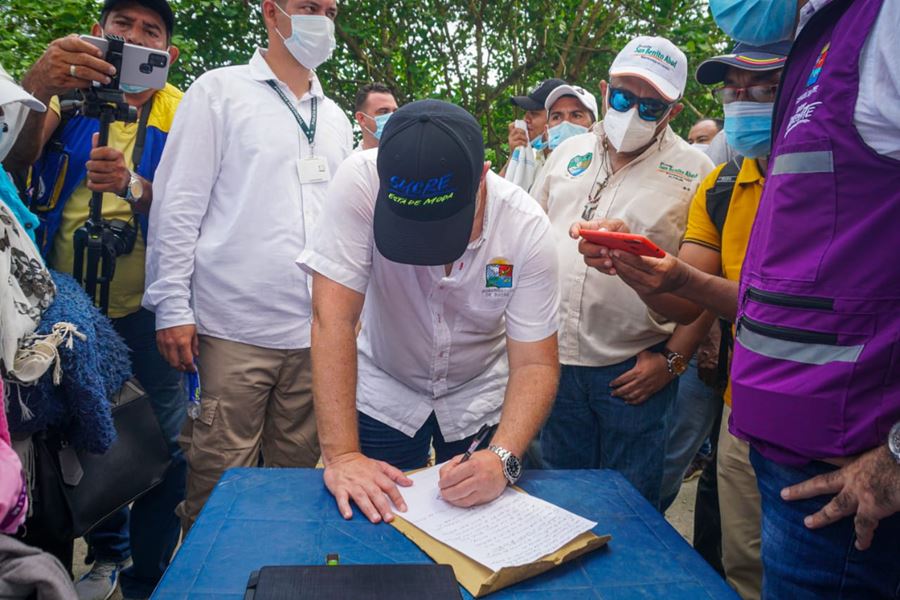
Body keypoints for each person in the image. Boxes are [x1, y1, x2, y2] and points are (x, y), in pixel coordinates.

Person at [584, 0, 900, 595]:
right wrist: (664, 275)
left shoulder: (879, 30)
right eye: (734, 87)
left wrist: (898, 454)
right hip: (757, 428)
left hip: (849, 462)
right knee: (738, 569)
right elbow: (754, 300)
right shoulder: (735, 176)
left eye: (763, 85)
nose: (745, 98)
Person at [297, 99, 560, 524]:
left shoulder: (526, 228)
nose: (426, 252)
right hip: (387, 386)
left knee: (481, 519)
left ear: (483, 177)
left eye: (443, 225)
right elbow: (333, 320)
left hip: (479, 395)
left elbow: (534, 362)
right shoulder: (359, 181)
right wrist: (342, 455)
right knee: (376, 522)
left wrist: (503, 458)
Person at [144, 0, 352, 535]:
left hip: (313, 336)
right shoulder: (219, 91)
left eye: (330, 10)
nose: (322, 21)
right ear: (271, 12)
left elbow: (342, 228)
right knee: (218, 486)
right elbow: (178, 202)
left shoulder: (333, 117)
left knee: (295, 488)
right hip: (234, 330)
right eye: (309, 7)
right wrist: (171, 304)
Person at [6, 2, 186, 598]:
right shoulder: (67, 95)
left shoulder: (182, 111)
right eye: (121, 26)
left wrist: (134, 187)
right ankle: (107, 552)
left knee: (165, 440)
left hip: (151, 309)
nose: (131, 38)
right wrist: (36, 86)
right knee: (81, 436)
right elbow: (14, 163)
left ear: (169, 53)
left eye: (149, 31)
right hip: (63, 304)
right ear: (97, 32)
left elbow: (200, 203)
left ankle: (149, 572)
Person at [530, 35, 713, 509]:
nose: (634, 113)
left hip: (633, 371)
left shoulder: (696, 171)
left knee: (630, 512)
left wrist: (672, 363)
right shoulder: (566, 156)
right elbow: (527, 244)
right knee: (557, 507)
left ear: (673, 112)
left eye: (651, 106)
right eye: (623, 98)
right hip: (555, 362)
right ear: (604, 89)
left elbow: (705, 288)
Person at [501, 77, 566, 182]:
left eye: (534, 113)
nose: (525, 119)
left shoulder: (568, 162)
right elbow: (494, 194)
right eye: (526, 113)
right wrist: (513, 156)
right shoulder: (534, 160)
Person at [353, 82, 398, 151]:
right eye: (384, 112)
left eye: (395, 112)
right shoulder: (353, 161)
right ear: (361, 119)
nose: (393, 117)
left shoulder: (412, 156)